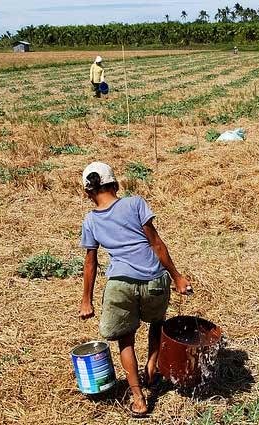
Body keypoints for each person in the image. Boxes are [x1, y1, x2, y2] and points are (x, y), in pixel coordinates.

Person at [78, 162, 192, 417]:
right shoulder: (135, 203)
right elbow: (156, 243)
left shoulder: (90, 221)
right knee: (157, 323)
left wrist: (86, 300)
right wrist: (177, 277)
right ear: (116, 185)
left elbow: (90, 262)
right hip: (154, 279)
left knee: (125, 339)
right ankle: (151, 366)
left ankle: (139, 398)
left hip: (120, 285)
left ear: (88, 193)